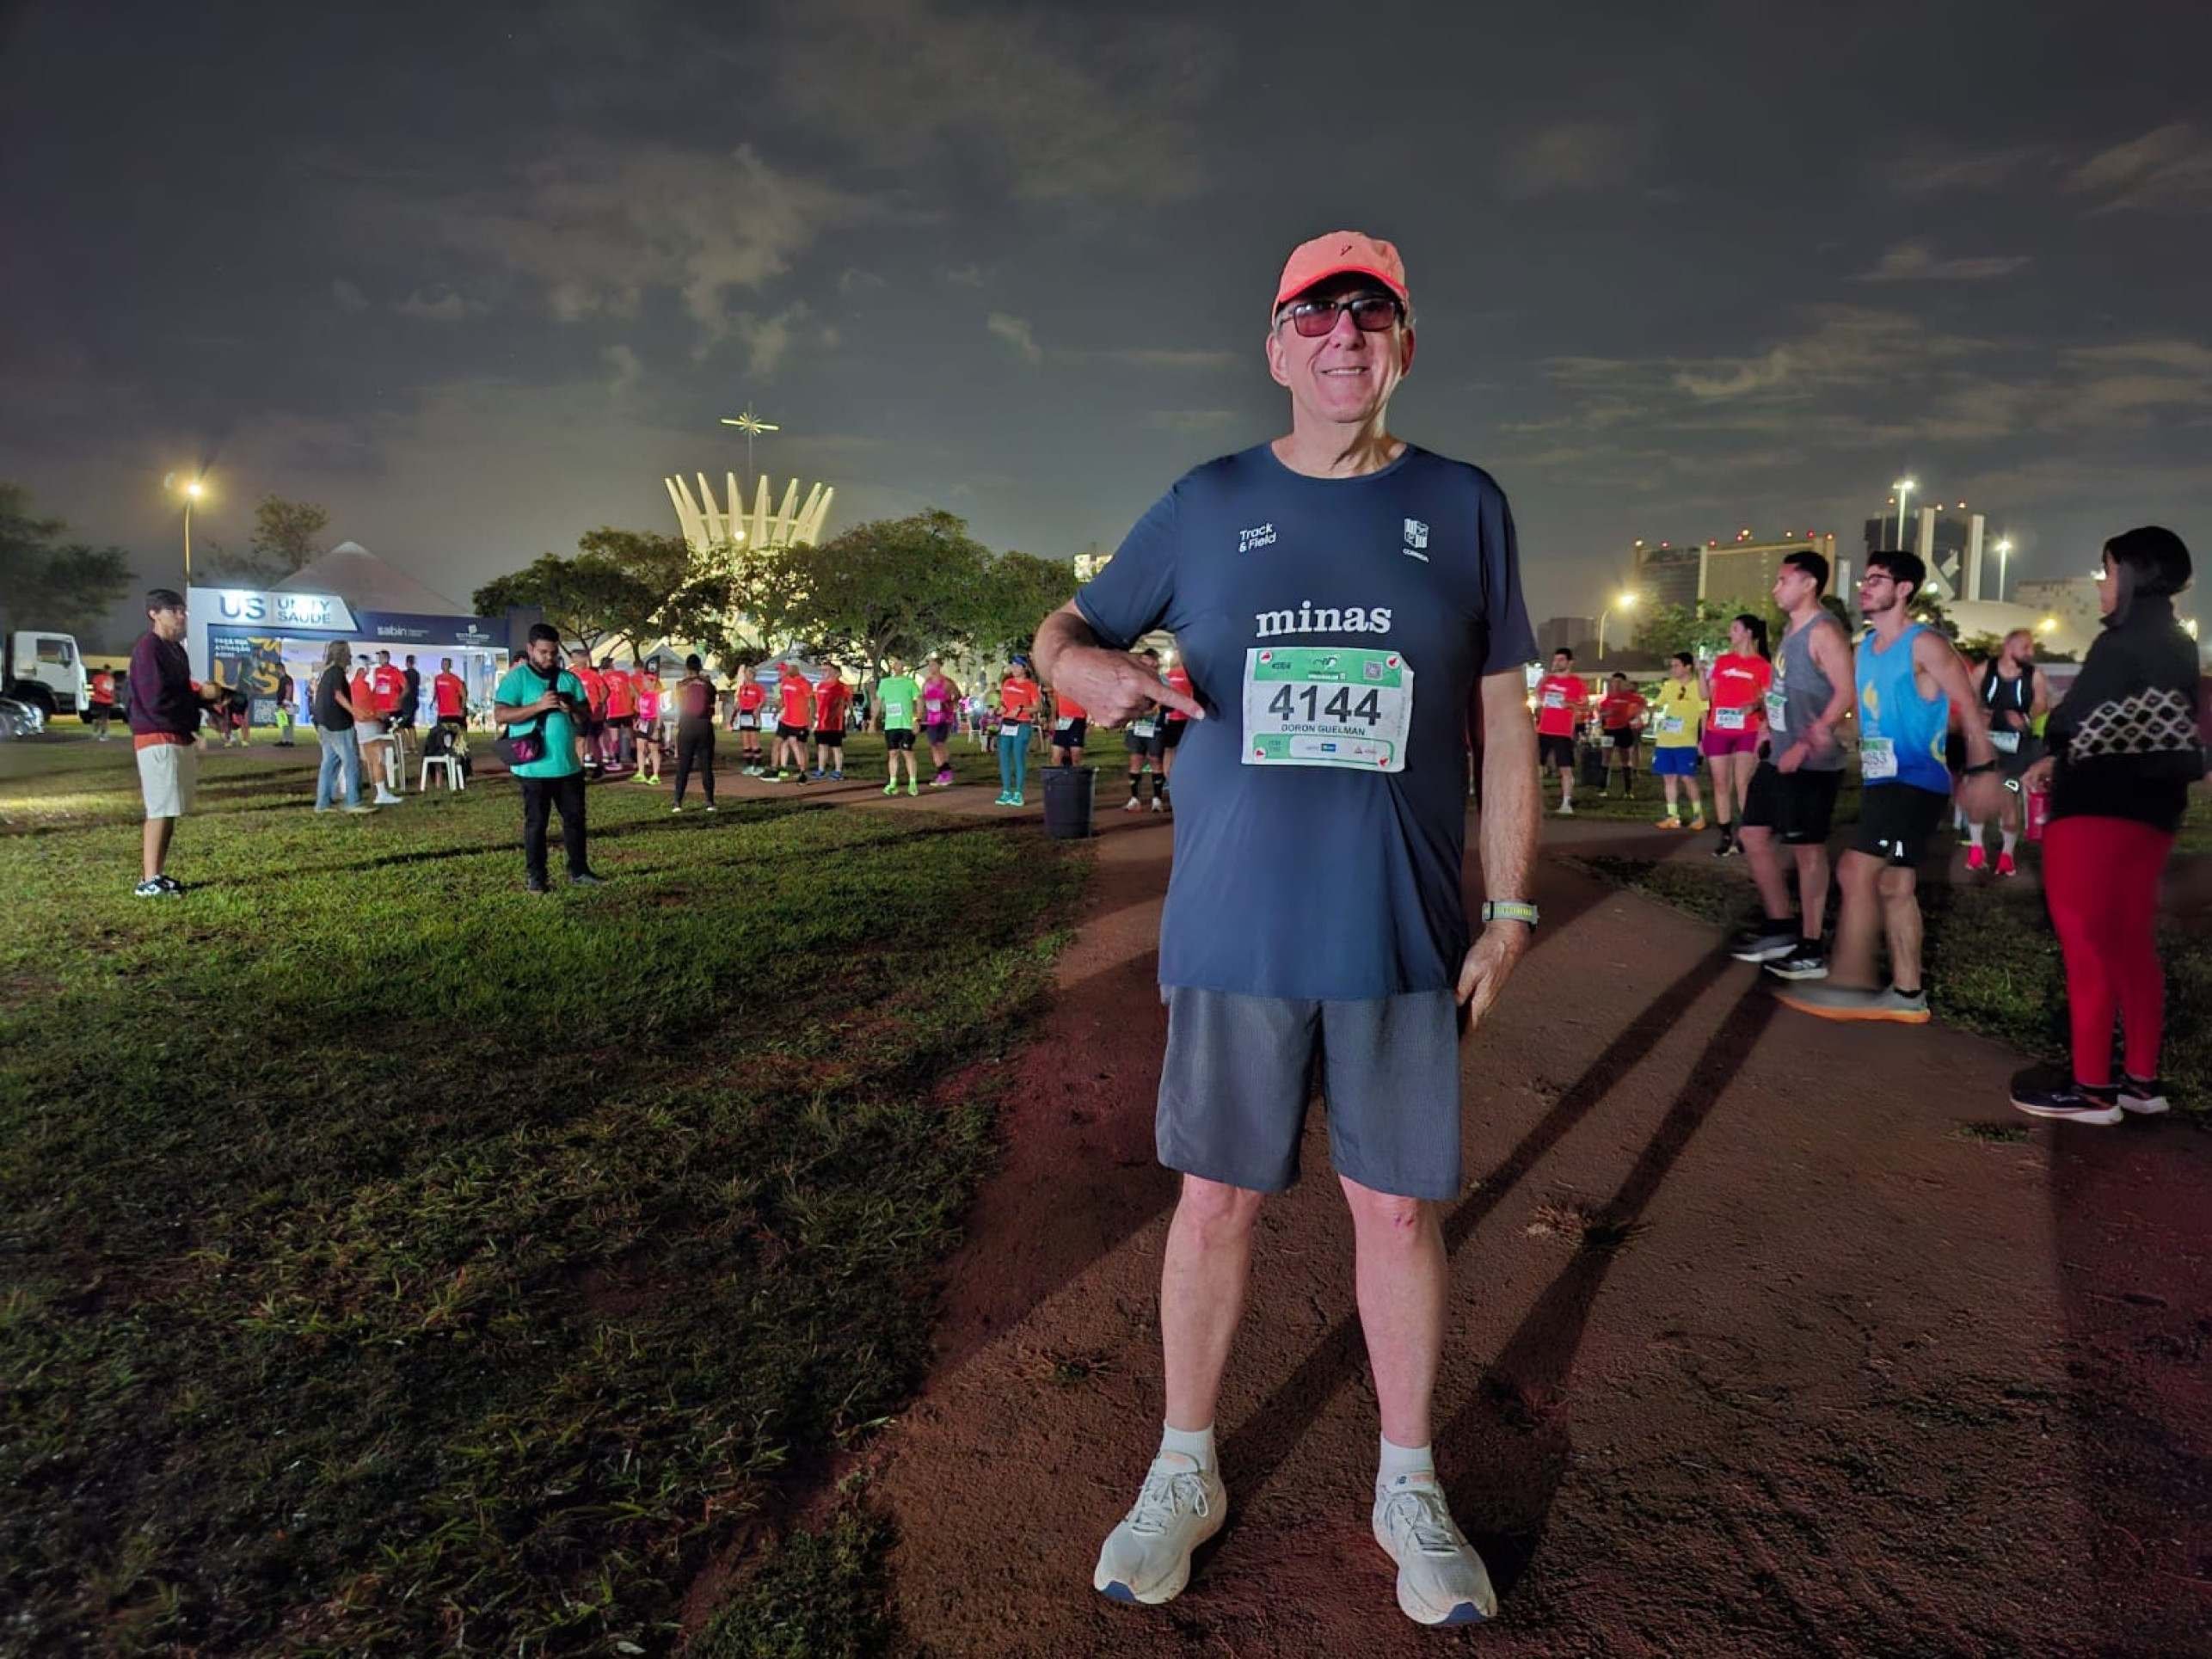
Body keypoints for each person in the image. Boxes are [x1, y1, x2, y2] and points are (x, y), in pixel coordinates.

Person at [1034, 230, 1538, 1627]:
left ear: (1404, 346)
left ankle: (1406, 1476)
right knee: (1215, 1200)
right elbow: (1063, 629)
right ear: (1272, 347)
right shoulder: (1204, 503)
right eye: (1311, 315)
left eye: (1369, 315)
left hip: (1398, 931)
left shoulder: (1465, 504)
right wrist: (1082, 664)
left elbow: (1502, 718)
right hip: (1236, 926)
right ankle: (1182, 1464)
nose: (1341, 338)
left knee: (1395, 1206)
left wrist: (1506, 907)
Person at [2009, 528, 2203, 1121]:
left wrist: (2050, 745)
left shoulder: (2117, 644)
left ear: (2133, 576)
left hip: (2093, 808)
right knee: (2130, 945)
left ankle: (2091, 1088)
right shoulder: (2176, 643)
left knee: (2087, 945)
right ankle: (2141, 1082)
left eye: (2106, 569)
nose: (2100, 582)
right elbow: (2135, 722)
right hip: (2153, 812)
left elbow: (2070, 721)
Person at [1773, 550, 2000, 1023]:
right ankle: (1907, 994)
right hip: (1882, 779)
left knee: (1857, 870)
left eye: (1877, 580)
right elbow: (1871, 715)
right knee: (1896, 885)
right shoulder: (1863, 650)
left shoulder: (1926, 645)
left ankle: (1849, 983)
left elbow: (1970, 707)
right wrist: (1827, 732)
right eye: (1865, 578)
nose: (1865, 586)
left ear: (1903, 590)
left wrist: (1983, 772)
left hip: (1916, 779)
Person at [1725, 552, 1853, 979]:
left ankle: (1811, 947)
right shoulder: (1790, 630)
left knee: (1807, 851)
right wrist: (1767, 725)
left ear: (1808, 584)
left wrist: (1810, 738)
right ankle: (1780, 926)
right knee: (1753, 834)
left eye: (1783, 580)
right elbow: (1784, 689)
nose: (1776, 588)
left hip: (1811, 763)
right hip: (1778, 753)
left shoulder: (1825, 631)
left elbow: (1845, 691)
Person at [126, 590, 225, 896]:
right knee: (159, 808)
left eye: (182, 611)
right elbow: (155, 699)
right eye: (173, 611)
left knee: (169, 808)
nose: (181, 616)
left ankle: (156, 875)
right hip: (158, 735)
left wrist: (205, 702)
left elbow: (180, 693)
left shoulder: (176, 652)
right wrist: (191, 711)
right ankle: (148, 880)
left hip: (174, 734)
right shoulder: (148, 648)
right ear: (153, 613)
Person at [493, 624, 600, 892]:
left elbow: (586, 716)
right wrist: (538, 706)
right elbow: (501, 715)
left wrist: (571, 707)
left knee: (575, 821)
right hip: (534, 770)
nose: (549, 658)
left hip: (569, 767)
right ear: (530, 649)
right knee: (536, 825)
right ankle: (537, 878)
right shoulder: (517, 679)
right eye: (543, 652)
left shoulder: (569, 680)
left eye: (553, 653)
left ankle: (579, 870)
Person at [1961, 629, 2049, 877]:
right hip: (1984, 747)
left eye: (2031, 648)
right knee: (1978, 797)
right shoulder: (1983, 671)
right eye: (2026, 647)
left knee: (2009, 797)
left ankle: (2007, 856)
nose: (2030, 653)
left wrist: (2026, 717)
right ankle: (1976, 850)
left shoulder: (2034, 675)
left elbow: (2042, 703)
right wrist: (1979, 716)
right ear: (2009, 646)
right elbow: (1967, 699)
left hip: (2017, 750)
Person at [1702, 616, 1773, 857]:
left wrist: (1755, 705)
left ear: (1749, 633)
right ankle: (1725, 834)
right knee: (1721, 783)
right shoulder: (1723, 661)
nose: (1729, 633)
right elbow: (1706, 696)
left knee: (1744, 783)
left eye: (1734, 629)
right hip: (1718, 729)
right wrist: (1702, 673)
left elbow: (1769, 700)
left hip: (1748, 730)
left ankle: (1746, 834)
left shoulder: (1762, 666)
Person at [310, 641, 376, 814]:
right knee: (351, 762)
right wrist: (354, 711)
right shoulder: (337, 673)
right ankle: (353, 801)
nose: (350, 656)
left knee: (329, 764)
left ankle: (323, 803)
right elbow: (338, 695)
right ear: (342, 654)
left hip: (324, 724)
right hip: (339, 724)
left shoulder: (326, 674)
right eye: (348, 653)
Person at [1650, 653, 1708, 830]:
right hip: (1665, 741)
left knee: (1687, 778)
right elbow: (1658, 703)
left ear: (1688, 667)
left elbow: (1704, 716)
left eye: (1676, 665)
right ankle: (1672, 815)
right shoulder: (1669, 685)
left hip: (1686, 741)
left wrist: (1703, 741)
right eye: (1672, 665)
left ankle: (1698, 815)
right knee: (1668, 778)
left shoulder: (1699, 687)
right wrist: (1644, 710)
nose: (1673, 669)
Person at [1532, 647, 1587, 815]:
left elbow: (1584, 705)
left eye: (1561, 660)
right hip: (1544, 729)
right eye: (1555, 660)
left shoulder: (1577, 683)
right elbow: (1539, 698)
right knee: (1536, 767)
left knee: (1565, 768)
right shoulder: (1546, 680)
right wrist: (1540, 696)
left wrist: (1569, 704)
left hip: (1563, 732)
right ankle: (1535, 802)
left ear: (1570, 662)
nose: (1557, 663)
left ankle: (1566, 803)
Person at [1121, 647, 1171, 811]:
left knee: (1155, 760)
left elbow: (1163, 700)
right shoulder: (1135, 679)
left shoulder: (1162, 680)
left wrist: (1154, 709)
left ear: (1155, 662)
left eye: (1146, 660)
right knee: (1135, 759)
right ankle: (1134, 799)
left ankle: (1157, 799)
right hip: (1137, 726)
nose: (1143, 663)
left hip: (1154, 726)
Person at [669, 654, 719, 813]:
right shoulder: (708, 685)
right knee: (706, 766)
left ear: (687, 668)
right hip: (704, 726)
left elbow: (677, 703)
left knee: (683, 766)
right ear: (700, 667)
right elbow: (712, 701)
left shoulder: (680, 685)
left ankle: (678, 802)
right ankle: (710, 802)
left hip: (686, 726)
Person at [353, 654, 402, 805]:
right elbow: (365, 708)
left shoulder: (356, 685)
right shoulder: (361, 685)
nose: (368, 669)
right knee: (377, 759)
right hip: (369, 725)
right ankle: (381, 793)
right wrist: (378, 714)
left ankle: (379, 790)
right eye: (367, 666)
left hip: (364, 724)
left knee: (373, 760)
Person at [996, 657, 1041, 806]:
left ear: (1025, 668)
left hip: (1022, 724)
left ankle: (1018, 793)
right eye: (1012, 666)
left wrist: (1022, 709)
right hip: (1007, 723)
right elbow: (1003, 702)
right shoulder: (1007, 683)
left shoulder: (1031, 686)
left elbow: (1037, 707)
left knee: (1018, 756)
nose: (1013, 668)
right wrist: (1000, 708)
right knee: (1003, 756)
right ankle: (1006, 791)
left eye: (1017, 666)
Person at [1596, 672, 1647, 797]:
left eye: (1619, 682)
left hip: (1624, 729)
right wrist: (1607, 714)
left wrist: (1636, 714)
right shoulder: (1607, 699)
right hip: (1609, 730)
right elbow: (1600, 712)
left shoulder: (1630, 696)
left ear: (1624, 683)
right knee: (1606, 757)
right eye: (1614, 682)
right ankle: (1602, 789)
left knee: (1625, 759)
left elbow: (1642, 703)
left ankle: (1628, 791)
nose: (1616, 685)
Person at [877, 658, 923, 796]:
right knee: (892, 753)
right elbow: (878, 701)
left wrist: (918, 720)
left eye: (898, 663)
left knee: (908, 753)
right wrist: (873, 720)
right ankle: (892, 784)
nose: (895, 665)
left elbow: (920, 700)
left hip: (906, 725)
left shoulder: (910, 683)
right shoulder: (885, 683)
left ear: (903, 666)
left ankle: (913, 783)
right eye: (893, 663)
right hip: (890, 726)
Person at [1158, 653, 1195, 810]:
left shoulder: (1165, 677)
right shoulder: (1190, 676)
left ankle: (1170, 782)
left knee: (1169, 751)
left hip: (1169, 718)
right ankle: (1185, 785)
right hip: (1186, 717)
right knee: (1186, 752)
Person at [920, 658, 962, 786]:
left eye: (933, 665)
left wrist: (950, 701)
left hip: (944, 717)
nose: (931, 667)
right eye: (929, 665)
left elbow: (958, 695)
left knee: (940, 744)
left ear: (939, 666)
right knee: (934, 746)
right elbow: (922, 698)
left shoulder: (947, 682)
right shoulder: (926, 682)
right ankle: (943, 773)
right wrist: (920, 716)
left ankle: (945, 773)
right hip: (931, 718)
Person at [568, 649, 607, 773]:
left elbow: (605, 691)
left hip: (593, 712)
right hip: (577, 712)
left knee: (593, 739)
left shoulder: (593, 675)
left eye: (575, 658)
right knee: (579, 740)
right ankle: (580, 768)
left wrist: (600, 703)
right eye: (572, 658)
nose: (572, 660)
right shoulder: (570, 673)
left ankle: (599, 765)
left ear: (584, 659)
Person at [811, 661, 851, 780]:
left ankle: (838, 771)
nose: (824, 673)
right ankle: (821, 769)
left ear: (836, 673)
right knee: (822, 746)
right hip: (821, 722)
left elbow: (848, 702)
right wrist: (814, 715)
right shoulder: (820, 686)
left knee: (836, 747)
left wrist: (848, 715)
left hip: (835, 723)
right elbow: (816, 702)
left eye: (827, 670)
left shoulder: (842, 687)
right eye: (822, 670)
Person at [773, 666, 814, 782]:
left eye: (783, 670)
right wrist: (777, 710)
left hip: (799, 720)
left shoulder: (803, 683)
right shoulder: (784, 682)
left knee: (797, 745)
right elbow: (783, 699)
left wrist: (811, 718)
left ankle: (802, 772)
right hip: (786, 719)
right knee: (782, 743)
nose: (781, 673)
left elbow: (811, 700)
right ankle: (781, 768)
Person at [601, 659, 637, 772]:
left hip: (613, 711)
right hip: (627, 709)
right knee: (630, 737)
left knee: (614, 739)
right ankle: (635, 761)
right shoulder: (624, 674)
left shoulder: (602, 678)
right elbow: (633, 690)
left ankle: (617, 762)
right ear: (612, 665)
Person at [731, 663, 768, 775]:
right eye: (745, 674)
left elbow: (763, 700)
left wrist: (758, 708)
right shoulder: (742, 688)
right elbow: (739, 701)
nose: (747, 676)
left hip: (753, 714)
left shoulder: (758, 688)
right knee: (746, 742)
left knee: (754, 741)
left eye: (749, 674)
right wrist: (736, 709)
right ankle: (749, 765)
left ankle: (758, 766)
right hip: (744, 714)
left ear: (753, 675)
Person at [633, 662, 664, 784]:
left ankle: (656, 774)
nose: (644, 683)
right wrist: (639, 721)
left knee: (653, 749)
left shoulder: (657, 695)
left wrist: (657, 728)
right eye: (643, 681)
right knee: (640, 748)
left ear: (653, 682)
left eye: (646, 681)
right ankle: (641, 772)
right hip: (643, 722)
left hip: (653, 721)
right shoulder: (643, 694)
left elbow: (659, 712)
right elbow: (642, 710)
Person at [1048, 682, 1088, 768]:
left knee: (1076, 756)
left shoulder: (1083, 683)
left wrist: (1089, 722)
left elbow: (1088, 701)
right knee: (1056, 756)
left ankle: (1074, 778)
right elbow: (1055, 700)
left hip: (1078, 719)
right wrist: (1053, 718)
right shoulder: (1059, 682)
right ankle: (1058, 778)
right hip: (1063, 719)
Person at [432, 657, 467, 734]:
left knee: (454, 735)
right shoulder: (437, 678)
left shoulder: (455, 679)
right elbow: (436, 692)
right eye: (443, 664)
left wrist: (462, 708)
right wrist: (433, 701)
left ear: (450, 666)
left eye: (446, 664)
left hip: (454, 712)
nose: (444, 666)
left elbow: (463, 695)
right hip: (442, 712)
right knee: (441, 735)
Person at [88, 663, 118, 739]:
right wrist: (108, 695)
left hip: (107, 702)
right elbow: (98, 688)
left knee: (105, 718)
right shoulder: (98, 677)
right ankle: (95, 731)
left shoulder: (111, 679)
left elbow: (112, 690)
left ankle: (103, 733)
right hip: (99, 701)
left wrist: (113, 699)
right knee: (99, 718)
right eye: (108, 670)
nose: (109, 671)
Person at [397, 653, 421, 733]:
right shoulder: (417, 674)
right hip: (414, 701)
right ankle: (413, 743)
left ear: (407, 662)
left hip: (406, 702)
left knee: (402, 725)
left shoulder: (403, 674)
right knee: (411, 724)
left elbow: (402, 687)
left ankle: (404, 743)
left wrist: (399, 699)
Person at [273, 668, 296, 747]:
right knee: (284, 722)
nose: (275, 672)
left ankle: (289, 741)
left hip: (286, 704)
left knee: (289, 722)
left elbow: (289, 690)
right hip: (282, 703)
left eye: (276, 670)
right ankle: (285, 740)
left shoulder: (287, 679)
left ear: (281, 669)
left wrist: (285, 702)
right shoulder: (282, 679)